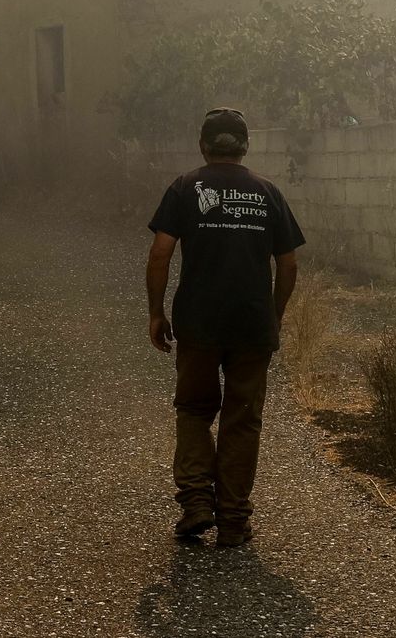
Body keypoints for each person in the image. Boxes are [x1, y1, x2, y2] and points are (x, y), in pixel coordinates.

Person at [145, 107, 305, 548]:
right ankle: (233, 521)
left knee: (194, 409)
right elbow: (287, 262)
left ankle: (197, 501)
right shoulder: (267, 192)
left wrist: (156, 311)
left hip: (199, 322)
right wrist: (275, 313)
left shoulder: (185, 187)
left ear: (203, 146)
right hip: (252, 324)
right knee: (242, 419)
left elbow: (160, 253)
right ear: (245, 146)